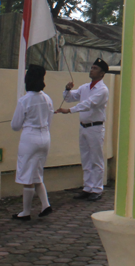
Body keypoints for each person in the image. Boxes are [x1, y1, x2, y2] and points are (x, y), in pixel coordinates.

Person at [57, 58, 110, 200]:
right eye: (92, 67)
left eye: (95, 68)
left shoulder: (102, 90)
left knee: (96, 159)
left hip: (95, 127)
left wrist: (69, 111)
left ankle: (97, 189)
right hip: (84, 126)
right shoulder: (85, 87)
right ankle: (87, 187)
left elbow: (89, 104)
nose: (92, 70)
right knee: (86, 158)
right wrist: (67, 89)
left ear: (102, 73)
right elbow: (69, 97)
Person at [11, 65, 54, 220]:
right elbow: (49, 121)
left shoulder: (24, 100)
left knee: (27, 175)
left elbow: (15, 125)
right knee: (37, 173)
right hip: (45, 137)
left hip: (30, 138)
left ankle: (26, 212)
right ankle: (45, 205)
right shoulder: (47, 99)